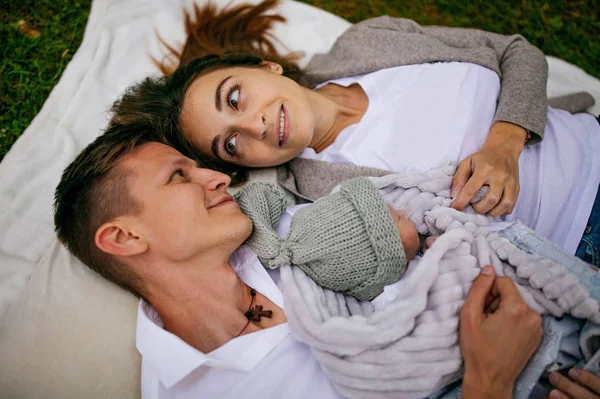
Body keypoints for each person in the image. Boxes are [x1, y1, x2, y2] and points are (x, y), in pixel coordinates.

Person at [53, 124, 550, 398]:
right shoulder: (199, 391)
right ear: (123, 237)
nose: (219, 178)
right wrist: (491, 383)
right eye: (179, 177)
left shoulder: (279, 232)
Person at [109, 0, 600, 264]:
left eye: (235, 97)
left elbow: (517, 51)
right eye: (231, 144)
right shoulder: (322, 198)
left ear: (268, 67)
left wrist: (505, 143)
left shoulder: (369, 40)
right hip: (581, 238)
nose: (254, 125)